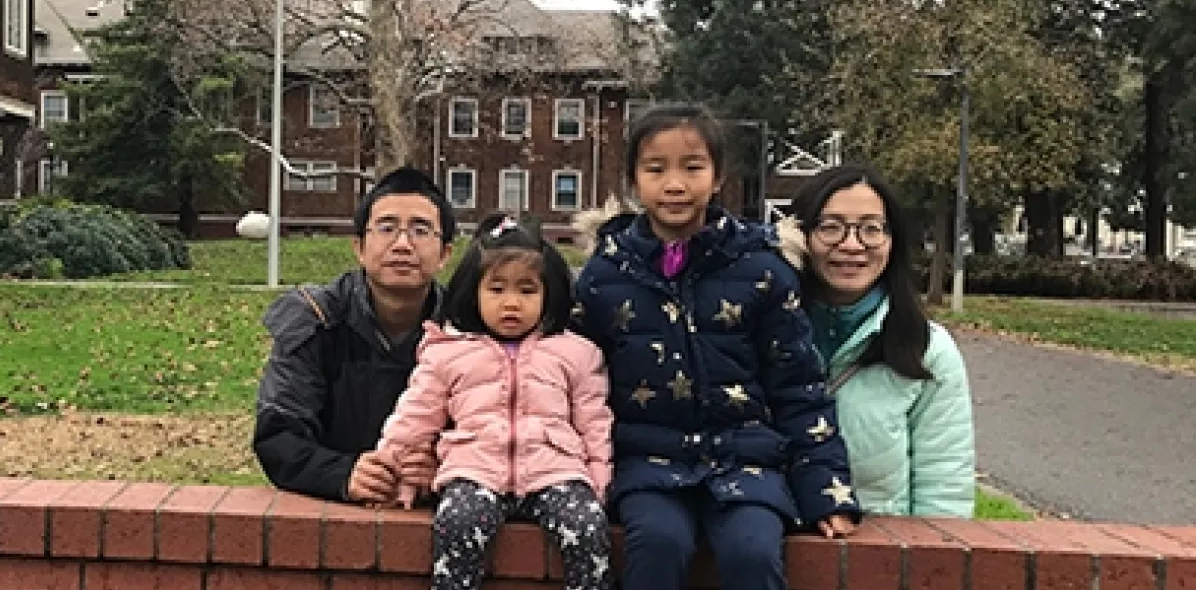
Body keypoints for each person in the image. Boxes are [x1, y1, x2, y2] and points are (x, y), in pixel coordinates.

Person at [570, 103, 861, 590]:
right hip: (646, 462)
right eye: (656, 169)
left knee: (753, 553)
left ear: (719, 176)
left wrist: (825, 491)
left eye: (693, 167)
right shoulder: (605, 276)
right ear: (634, 181)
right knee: (658, 546)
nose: (675, 184)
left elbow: (799, 387)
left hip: (746, 462)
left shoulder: (763, 269)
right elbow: (577, 384)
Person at [373, 213, 613, 590]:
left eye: (527, 290)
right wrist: (392, 473)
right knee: (457, 525)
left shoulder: (575, 353)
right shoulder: (447, 353)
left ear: (549, 294)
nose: (511, 303)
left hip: (555, 471)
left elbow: (594, 422)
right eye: (497, 289)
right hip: (475, 471)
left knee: (587, 530)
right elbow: (414, 417)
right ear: (474, 293)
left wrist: (599, 481)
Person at [252, 167, 457, 505]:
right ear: (360, 247)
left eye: (420, 230)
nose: (403, 244)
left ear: (445, 254)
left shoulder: (469, 329)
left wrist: (449, 466)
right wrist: (343, 474)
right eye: (387, 228)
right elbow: (279, 433)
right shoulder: (315, 319)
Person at [786, 165, 976, 518]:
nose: (852, 244)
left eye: (871, 229)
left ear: (892, 242)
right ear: (799, 237)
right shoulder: (756, 336)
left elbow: (944, 491)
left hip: (879, 562)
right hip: (764, 555)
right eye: (831, 227)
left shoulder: (928, 350)